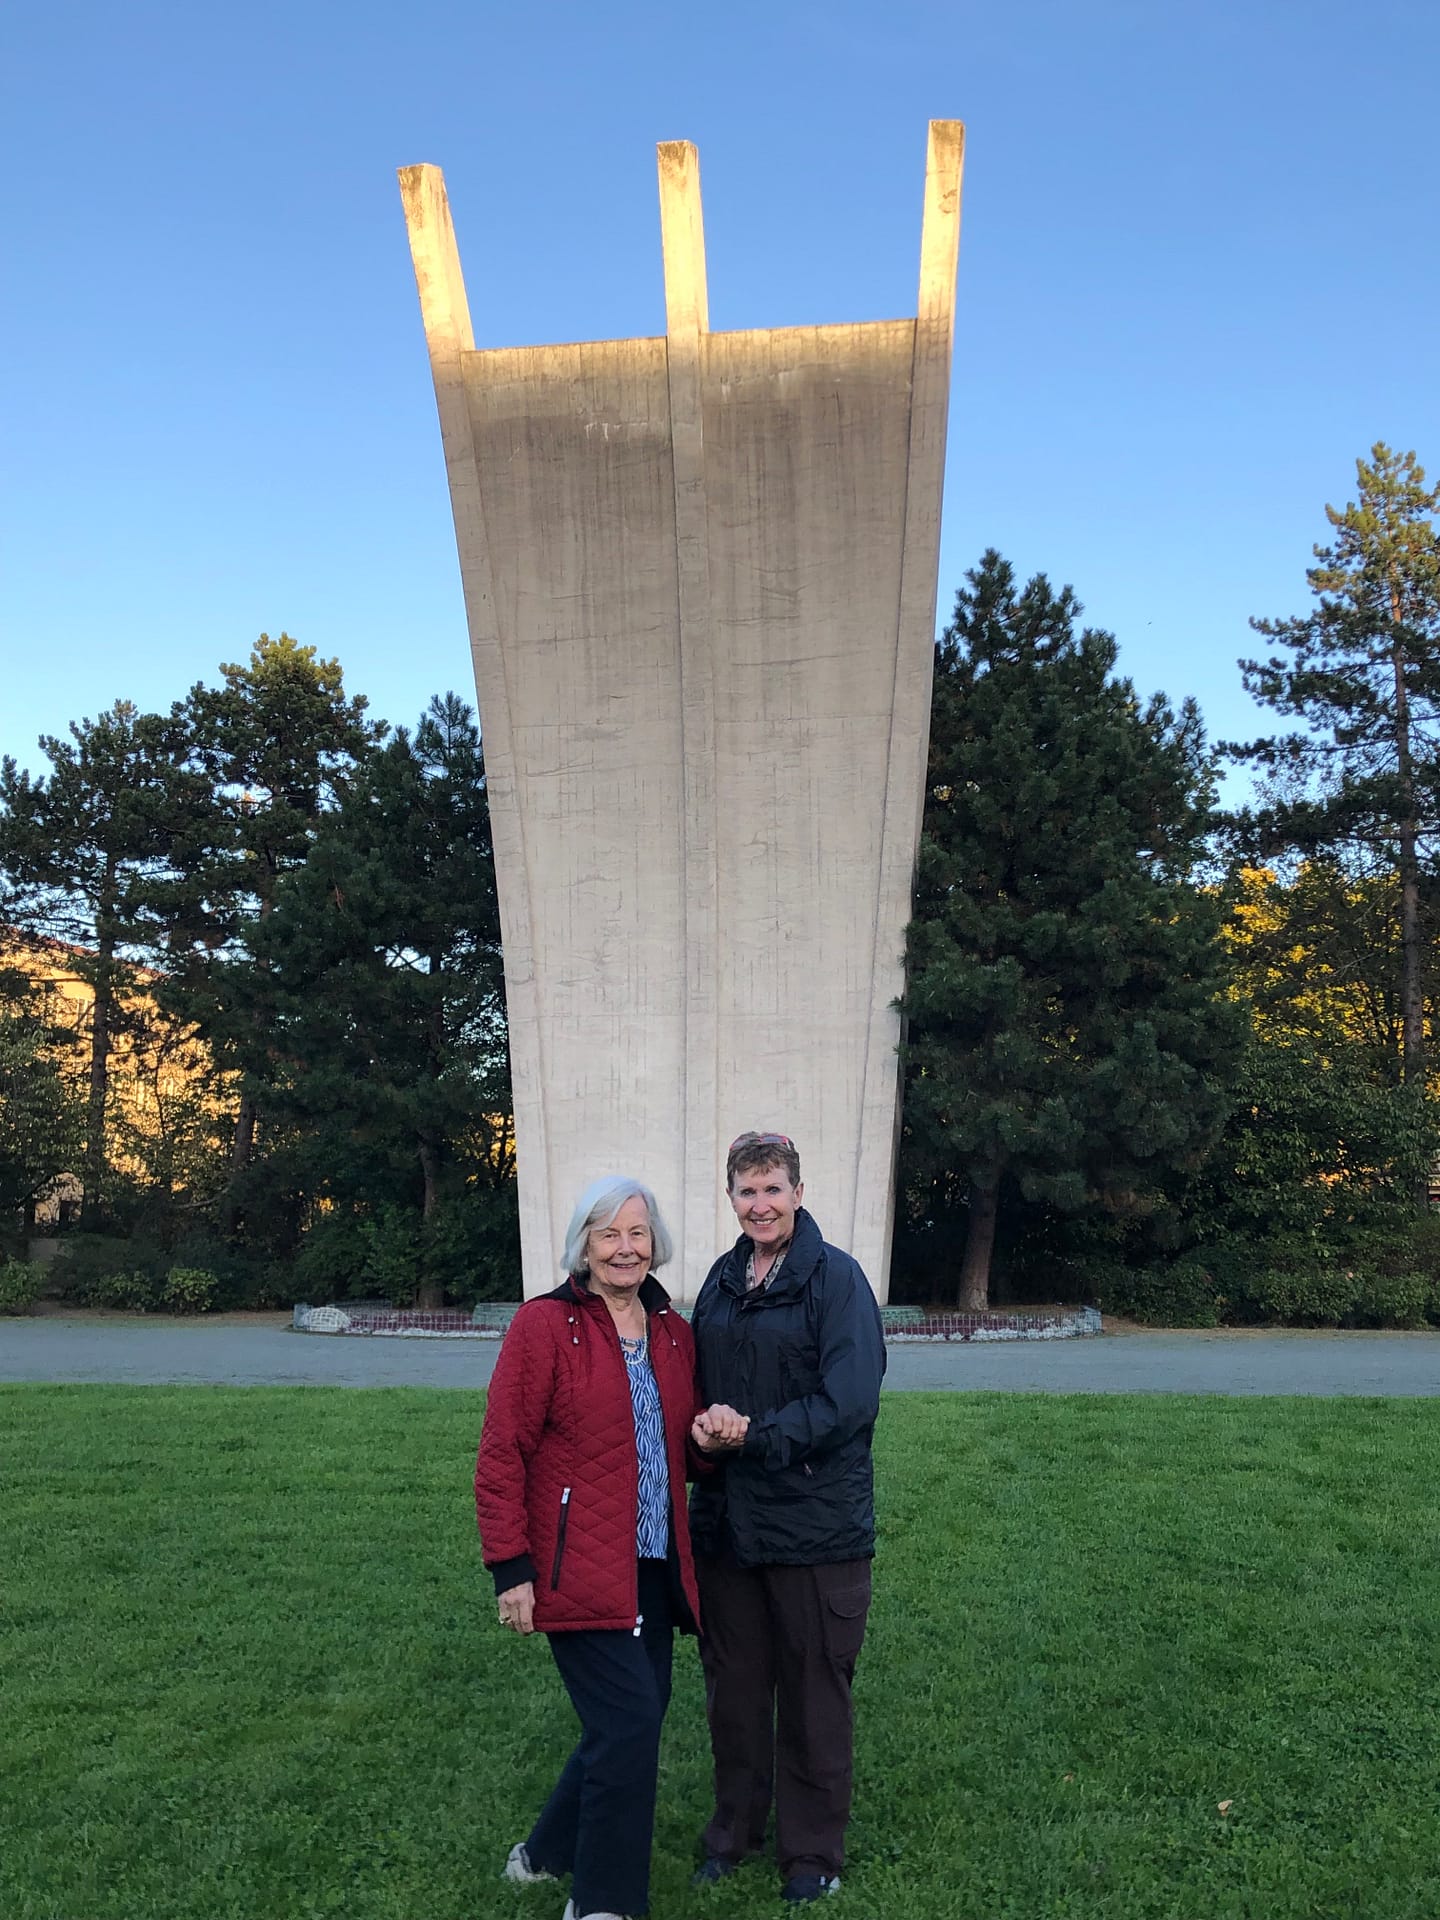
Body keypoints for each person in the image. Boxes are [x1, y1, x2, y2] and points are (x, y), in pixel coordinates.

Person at [476, 1174, 745, 1920]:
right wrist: (511, 1569)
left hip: (655, 1569)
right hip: (574, 1569)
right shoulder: (543, 1327)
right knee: (627, 1726)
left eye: (637, 1233)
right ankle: (604, 1903)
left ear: (652, 1243)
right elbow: (503, 1451)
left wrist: (710, 1444)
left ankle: (543, 1855)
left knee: (628, 1721)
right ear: (584, 1247)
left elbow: (677, 1455)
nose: (625, 1249)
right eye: (609, 1235)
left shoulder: (672, 1332)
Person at [688, 1131, 887, 1904]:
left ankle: (811, 1856)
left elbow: (850, 1401)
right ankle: (731, 1834)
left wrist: (755, 1435)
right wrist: (704, 1430)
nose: (760, 1204)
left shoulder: (835, 1280)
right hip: (732, 1523)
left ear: (799, 1194)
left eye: (773, 1188)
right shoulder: (721, 1279)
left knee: (812, 1692)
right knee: (734, 1692)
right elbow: (699, 1378)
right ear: (731, 1199)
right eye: (746, 1191)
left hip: (815, 1526)